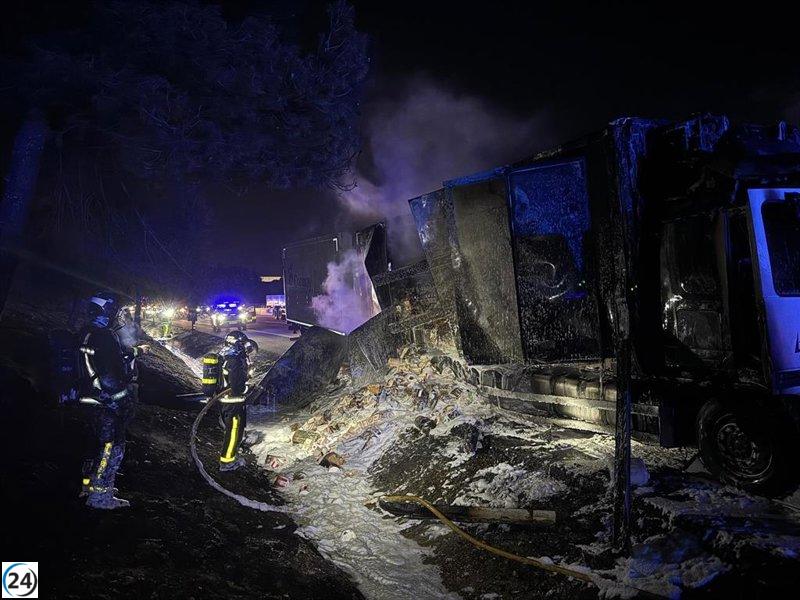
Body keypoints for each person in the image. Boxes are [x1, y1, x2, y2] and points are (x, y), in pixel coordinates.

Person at [79, 292, 148, 509]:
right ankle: (100, 496)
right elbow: (110, 376)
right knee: (112, 447)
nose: (118, 317)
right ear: (106, 312)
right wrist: (121, 399)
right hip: (105, 403)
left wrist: (134, 351)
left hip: (89, 399)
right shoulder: (105, 337)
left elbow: (108, 359)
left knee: (95, 444)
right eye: (114, 312)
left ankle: (89, 485)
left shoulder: (87, 333)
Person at [218, 330, 256, 471]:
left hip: (227, 401)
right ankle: (227, 462)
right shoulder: (235, 360)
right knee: (233, 431)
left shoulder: (226, 356)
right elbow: (237, 387)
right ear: (238, 344)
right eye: (243, 344)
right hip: (233, 402)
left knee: (234, 430)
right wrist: (248, 389)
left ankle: (233, 453)